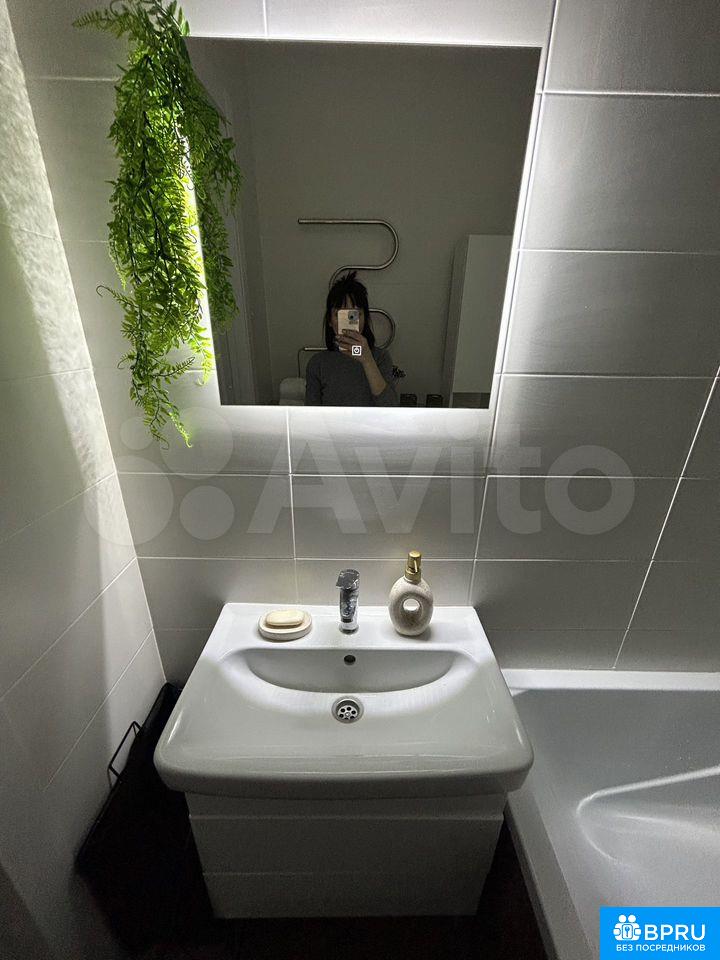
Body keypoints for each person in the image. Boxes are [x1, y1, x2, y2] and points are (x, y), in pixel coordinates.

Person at [305, 271, 398, 406]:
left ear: (364, 318)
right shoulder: (318, 363)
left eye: (354, 315)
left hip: (370, 421)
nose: (348, 321)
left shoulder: (380, 358)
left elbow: (391, 408)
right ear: (330, 321)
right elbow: (310, 414)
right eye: (341, 314)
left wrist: (368, 361)